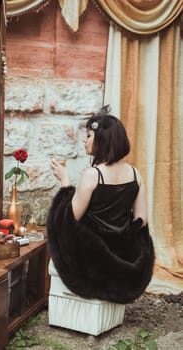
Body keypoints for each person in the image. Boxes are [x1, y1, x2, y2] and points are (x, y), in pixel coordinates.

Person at [47, 105, 155, 304]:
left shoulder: (92, 175)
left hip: (94, 262)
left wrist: (65, 182)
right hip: (123, 259)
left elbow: (68, 220)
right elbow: (141, 221)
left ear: (102, 141)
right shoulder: (135, 174)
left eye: (88, 136)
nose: (84, 140)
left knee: (61, 233)